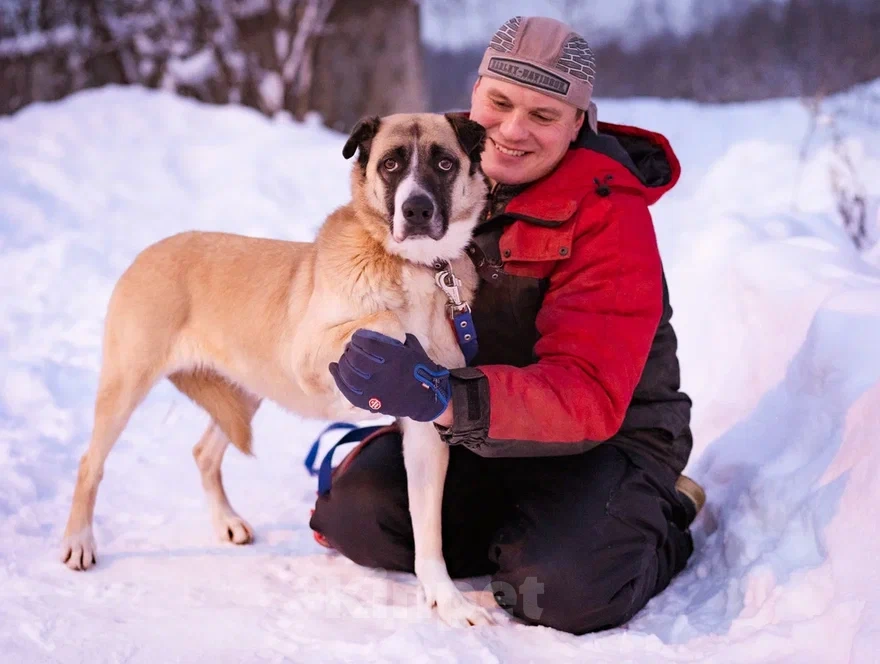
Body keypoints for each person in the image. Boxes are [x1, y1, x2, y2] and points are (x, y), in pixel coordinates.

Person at [311, 16, 704, 635]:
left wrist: (441, 397)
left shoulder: (609, 212)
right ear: (476, 94)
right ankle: (531, 530)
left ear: (578, 123)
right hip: (485, 431)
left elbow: (587, 396)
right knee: (358, 516)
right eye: (499, 103)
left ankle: (658, 515)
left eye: (544, 116)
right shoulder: (432, 159)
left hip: (607, 439)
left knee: (559, 590)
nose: (513, 131)